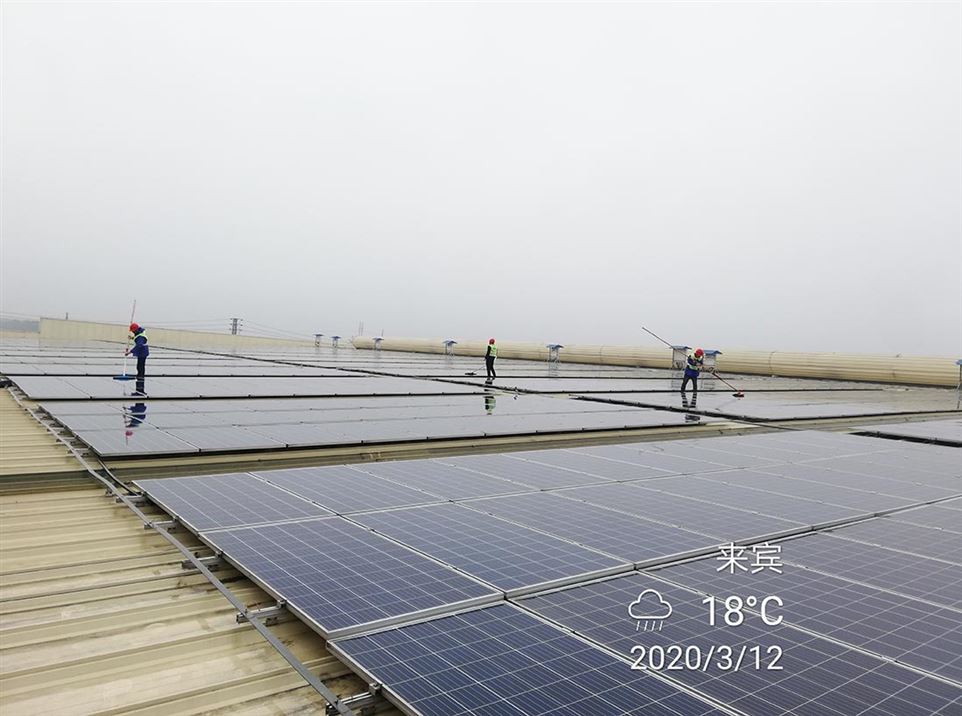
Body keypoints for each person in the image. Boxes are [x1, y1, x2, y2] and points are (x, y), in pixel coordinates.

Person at [126, 323, 149, 395]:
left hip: (142, 353)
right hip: (142, 352)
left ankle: (140, 384)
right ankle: (140, 377)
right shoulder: (139, 333)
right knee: (139, 367)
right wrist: (132, 338)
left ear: (135, 330)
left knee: (140, 367)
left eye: (133, 330)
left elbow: (139, 345)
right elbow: (137, 338)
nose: (132, 332)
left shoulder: (141, 336)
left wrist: (130, 352)